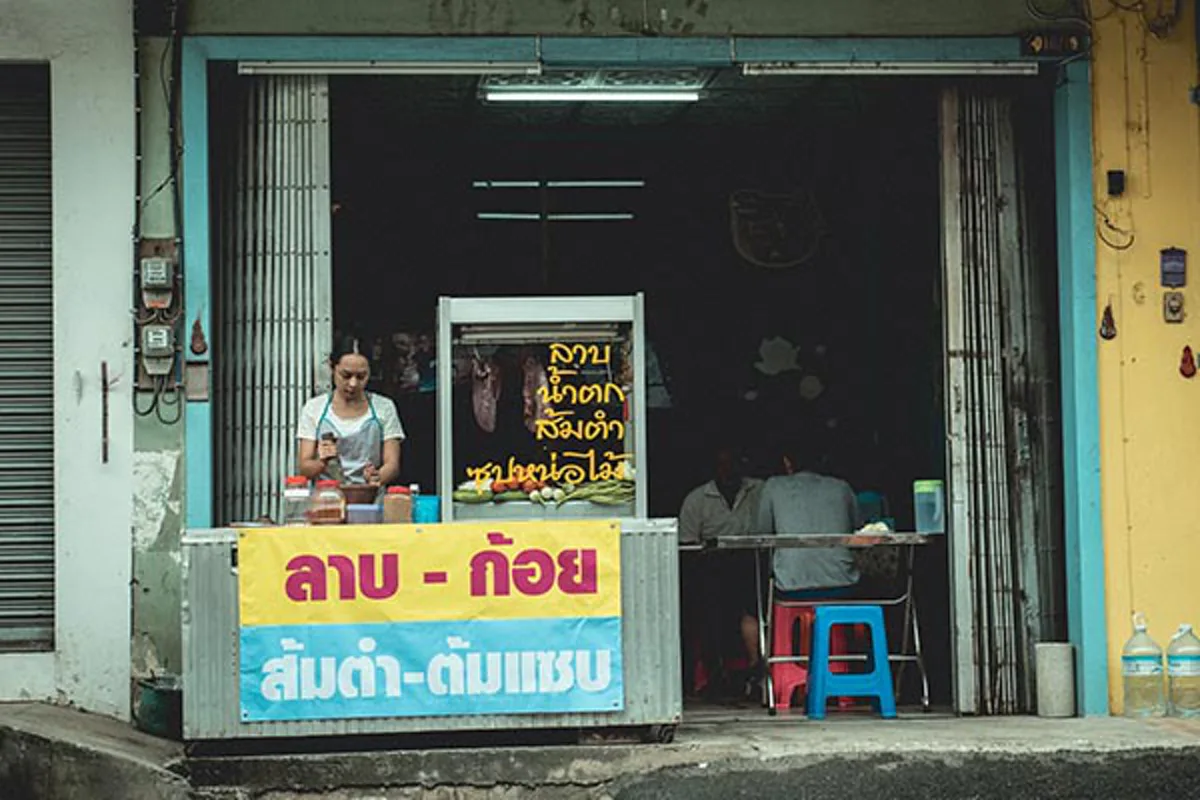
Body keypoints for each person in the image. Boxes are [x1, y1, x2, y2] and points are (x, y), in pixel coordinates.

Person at [678, 443, 763, 696]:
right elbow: (687, 545)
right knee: (708, 608)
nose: (728, 470)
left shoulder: (760, 490)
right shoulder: (697, 499)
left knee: (753, 606)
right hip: (712, 567)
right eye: (722, 465)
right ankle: (715, 675)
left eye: (733, 464)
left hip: (752, 563)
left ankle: (757, 671)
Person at [297, 340, 405, 486]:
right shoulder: (314, 408)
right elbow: (304, 468)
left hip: (370, 499)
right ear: (332, 368)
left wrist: (376, 477)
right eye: (346, 375)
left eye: (361, 377)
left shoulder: (384, 407)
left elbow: (392, 464)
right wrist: (322, 462)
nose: (353, 384)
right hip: (327, 498)